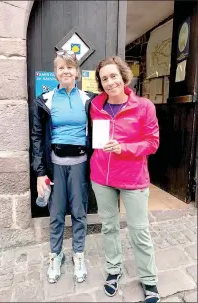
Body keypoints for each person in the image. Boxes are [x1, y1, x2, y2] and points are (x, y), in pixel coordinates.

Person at [89, 56, 160, 302]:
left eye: (113, 76)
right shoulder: (95, 105)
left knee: (139, 231)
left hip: (133, 178)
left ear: (123, 76)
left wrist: (124, 148)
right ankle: (113, 270)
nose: (110, 82)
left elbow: (153, 143)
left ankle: (149, 280)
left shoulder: (144, 106)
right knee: (108, 226)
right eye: (104, 78)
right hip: (101, 177)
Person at [31, 50, 95, 284]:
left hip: (80, 164)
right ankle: (55, 255)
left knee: (79, 212)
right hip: (55, 166)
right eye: (61, 67)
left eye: (70, 67)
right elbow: (37, 137)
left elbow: (101, 129)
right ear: (55, 73)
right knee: (56, 214)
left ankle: (78, 255)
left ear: (77, 72)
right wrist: (39, 172)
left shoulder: (89, 99)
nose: (66, 71)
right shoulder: (44, 100)